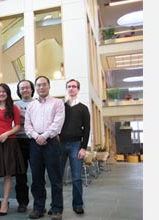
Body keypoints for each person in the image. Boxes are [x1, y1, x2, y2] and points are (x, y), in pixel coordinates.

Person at [24, 76, 65, 220]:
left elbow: (58, 123)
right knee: (36, 178)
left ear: (49, 86)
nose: (41, 87)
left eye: (44, 84)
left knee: (55, 178)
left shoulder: (58, 103)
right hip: (35, 144)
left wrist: (45, 136)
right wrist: (36, 136)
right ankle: (38, 208)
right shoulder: (31, 106)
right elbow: (27, 125)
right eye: (38, 85)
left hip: (52, 142)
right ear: (36, 87)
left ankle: (57, 209)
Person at [0, 83, 25, 216]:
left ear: (7, 93)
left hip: (9, 142)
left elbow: (18, 126)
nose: (1, 94)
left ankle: (5, 202)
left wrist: (6, 134)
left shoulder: (13, 108)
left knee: (8, 174)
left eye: (3, 92)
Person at [58, 79, 90, 215]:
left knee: (76, 177)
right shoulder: (61, 107)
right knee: (57, 177)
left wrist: (83, 147)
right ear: (67, 89)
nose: (71, 88)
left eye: (74, 86)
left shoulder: (83, 108)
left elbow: (87, 129)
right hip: (59, 145)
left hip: (76, 145)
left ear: (78, 89)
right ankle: (56, 205)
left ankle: (78, 204)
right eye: (69, 86)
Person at [14, 79, 35, 213]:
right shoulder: (15, 105)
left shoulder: (37, 103)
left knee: (37, 173)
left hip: (34, 141)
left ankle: (39, 202)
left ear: (32, 89)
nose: (25, 90)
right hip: (18, 141)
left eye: (27, 87)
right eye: (22, 88)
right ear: (19, 91)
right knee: (20, 174)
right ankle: (22, 202)